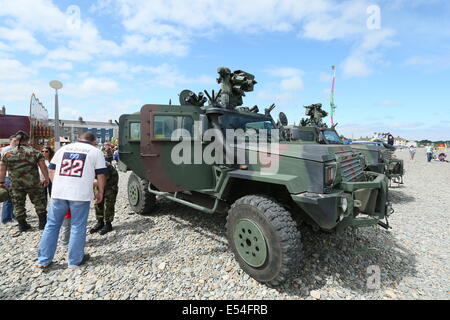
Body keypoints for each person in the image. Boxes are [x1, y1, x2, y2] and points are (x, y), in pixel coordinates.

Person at [37, 132, 107, 268]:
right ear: (94, 142)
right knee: (77, 226)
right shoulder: (95, 152)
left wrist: (57, 185)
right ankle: (74, 260)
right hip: (80, 194)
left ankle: (44, 260)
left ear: (78, 139)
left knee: (51, 225)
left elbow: (51, 170)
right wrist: (100, 192)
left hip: (59, 193)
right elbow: (101, 174)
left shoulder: (63, 149)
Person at [0, 131, 49, 231]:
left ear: (17, 140)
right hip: (33, 183)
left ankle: (22, 225)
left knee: (18, 204)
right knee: (39, 202)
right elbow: (43, 167)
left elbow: (2, 169)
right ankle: (42, 224)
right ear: (28, 140)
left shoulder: (7, 154)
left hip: (16, 184)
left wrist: (1, 182)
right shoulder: (35, 152)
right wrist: (46, 178)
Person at [90, 152, 119, 235]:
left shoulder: (102, 165)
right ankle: (100, 222)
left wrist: (89, 183)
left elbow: (104, 180)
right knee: (98, 201)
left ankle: (108, 224)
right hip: (98, 180)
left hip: (110, 182)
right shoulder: (87, 165)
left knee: (109, 202)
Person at [0, 135, 19, 224]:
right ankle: (6, 219)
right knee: (8, 198)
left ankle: (11, 216)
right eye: (15, 140)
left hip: (12, 176)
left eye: (17, 140)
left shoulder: (14, 149)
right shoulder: (8, 149)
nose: (17, 142)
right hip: (9, 176)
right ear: (11, 140)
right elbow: (4, 165)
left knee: (13, 198)